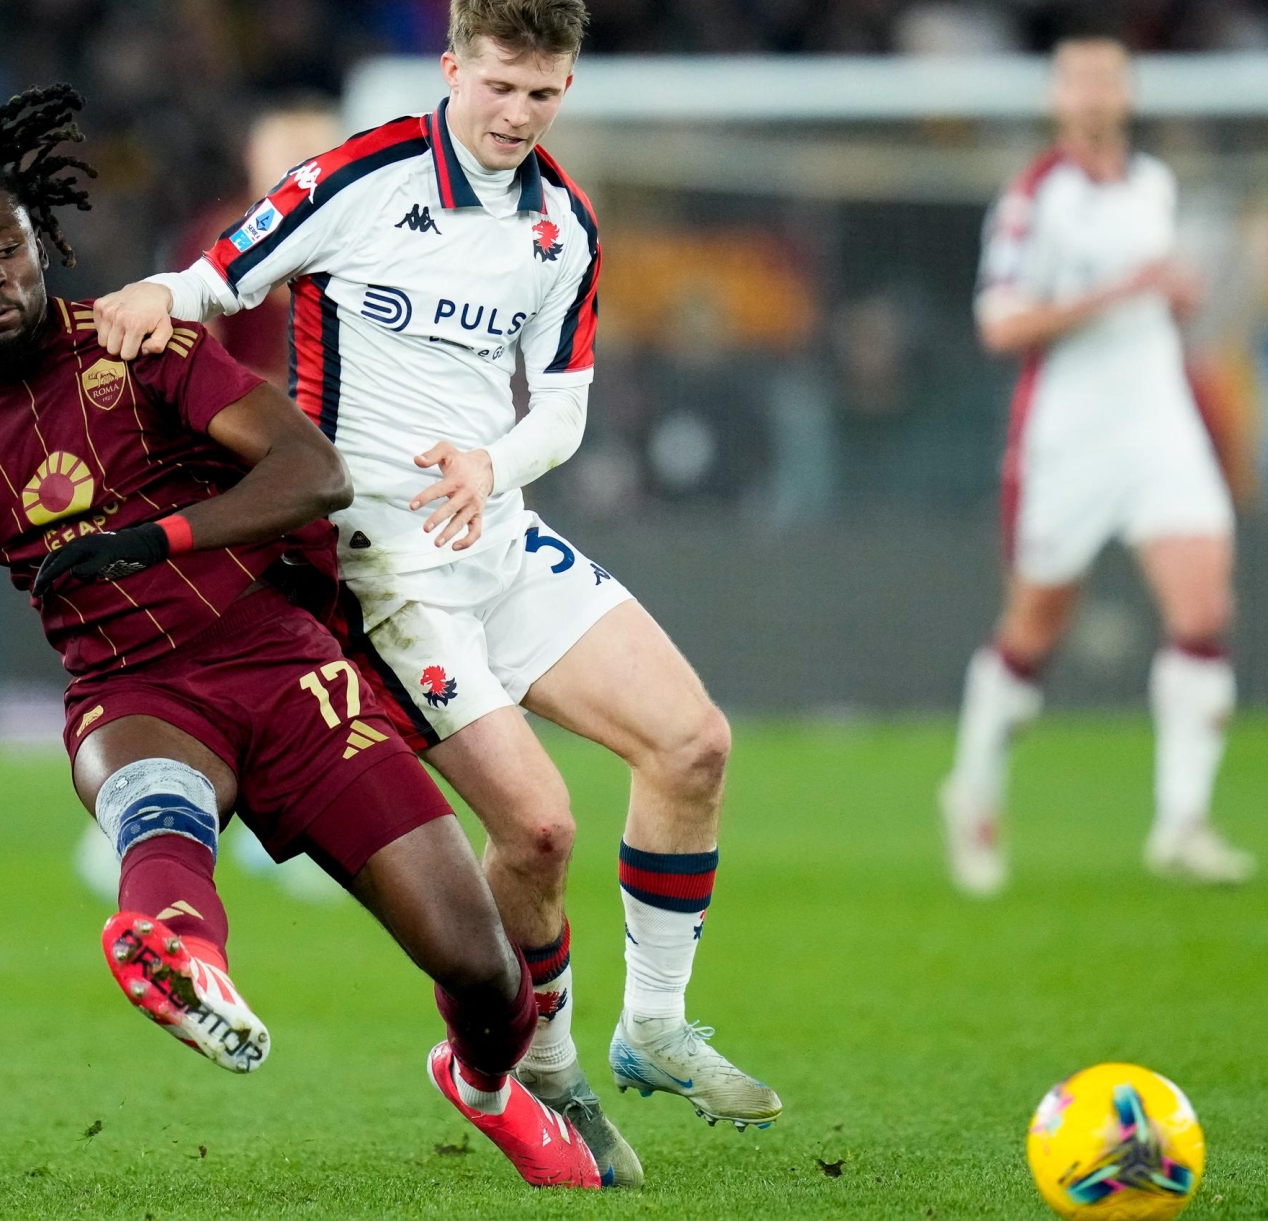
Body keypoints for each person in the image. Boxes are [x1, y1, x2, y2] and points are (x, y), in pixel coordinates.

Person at [0, 61, 600, 1189]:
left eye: (6, 248)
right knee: (155, 803)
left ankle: (479, 1081)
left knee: (486, 975)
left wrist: (157, 539)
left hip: (289, 671)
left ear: (41, 243)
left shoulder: (139, 344)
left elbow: (314, 473)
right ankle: (177, 955)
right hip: (136, 695)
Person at [86, 0, 778, 1184]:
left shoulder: (564, 224)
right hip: (383, 566)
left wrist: (492, 464)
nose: (518, 115)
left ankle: (653, 1027)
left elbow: (562, 401)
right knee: (541, 827)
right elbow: (208, 285)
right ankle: (534, 1069)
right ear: (453, 66)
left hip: (497, 532)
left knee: (694, 745)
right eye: (500, 86)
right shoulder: (355, 180)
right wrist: (144, 299)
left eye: (544, 92)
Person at [941, 36, 1255, 897]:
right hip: (1068, 436)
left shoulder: (1154, 184)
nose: (1094, 93)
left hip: (1159, 421)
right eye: (1078, 78)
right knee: (1035, 624)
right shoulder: (1031, 201)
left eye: (1108, 78)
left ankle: (1182, 821)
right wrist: (1121, 290)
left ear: (1127, 92)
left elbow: (1159, 293)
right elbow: (1000, 325)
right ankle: (973, 791)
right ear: (1056, 95)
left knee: (1203, 605)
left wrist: (1173, 293)